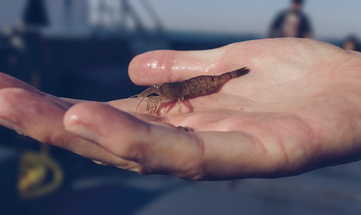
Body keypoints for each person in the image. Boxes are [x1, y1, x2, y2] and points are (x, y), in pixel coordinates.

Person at [0, 38, 361, 180]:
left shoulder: (176, 94)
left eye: (157, 95)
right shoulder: (162, 93)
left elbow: (176, 98)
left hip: (203, 84)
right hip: (194, 86)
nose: (154, 96)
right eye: (155, 95)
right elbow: (164, 96)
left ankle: (230, 76)